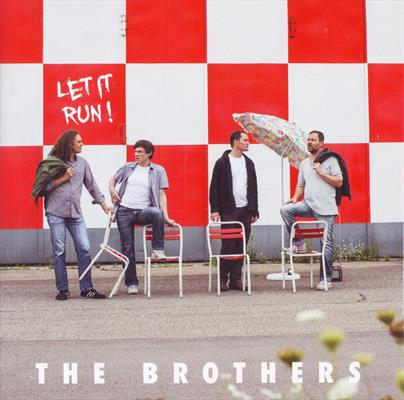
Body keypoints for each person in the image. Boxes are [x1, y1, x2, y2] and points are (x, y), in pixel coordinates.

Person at [33, 130, 111, 300]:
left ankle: (87, 288)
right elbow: (42, 189)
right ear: (70, 144)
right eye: (79, 141)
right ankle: (63, 290)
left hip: (75, 214)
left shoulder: (82, 163)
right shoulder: (52, 163)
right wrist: (64, 178)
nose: (82, 144)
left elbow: (92, 186)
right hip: (56, 213)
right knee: (59, 251)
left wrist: (104, 206)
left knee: (84, 249)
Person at [109, 140, 175, 295]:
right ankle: (132, 283)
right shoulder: (128, 167)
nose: (136, 154)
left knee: (156, 212)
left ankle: (157, 250)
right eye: (135, 151)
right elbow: (113, 180)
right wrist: (112, 190)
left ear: (149, 153)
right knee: (128, 247)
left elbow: (161, 194)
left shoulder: (158, 170)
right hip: (124, 211)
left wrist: (166, 216)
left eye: (140, 152)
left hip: (142, 211)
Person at [280, 130, 343, 290]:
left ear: (321, 143)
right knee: (286, 210)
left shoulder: (331, 160)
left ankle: (326, 279)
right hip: (308, 204)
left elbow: (339, 181)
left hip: (326, 208)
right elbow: (300, 185)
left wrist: (320, 172)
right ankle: (299, 242)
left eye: (313, 140)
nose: (309, 142)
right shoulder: (304, 163)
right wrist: (295, 198)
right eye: (308, 139)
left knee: (325, 244)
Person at [209, 131, 259, 292]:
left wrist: (254, 210)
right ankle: (223, 278)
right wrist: (215, 209)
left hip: (246, 209)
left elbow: (253, 187)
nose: (248, 142)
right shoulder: (222, 162)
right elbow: (214, 187)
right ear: (236, 142)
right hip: (228, 209)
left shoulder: (249, 163)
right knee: (228, 244)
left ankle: (236, 279)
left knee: (241, 245)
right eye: (245, 140)